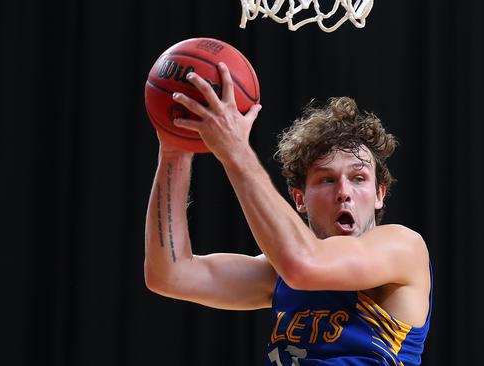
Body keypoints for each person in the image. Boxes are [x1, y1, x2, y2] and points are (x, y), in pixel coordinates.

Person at [144, 63, 431, 365]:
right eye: (327, 179)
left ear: (379, 195)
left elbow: (303, 264)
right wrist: (175, 151)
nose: (344, 191)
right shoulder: (278, 273)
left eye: (358, 178)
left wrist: (235, 150)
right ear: (300, 199)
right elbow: (170, 274)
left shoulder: (403, 247)